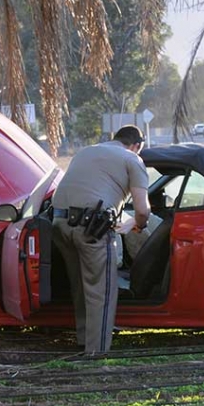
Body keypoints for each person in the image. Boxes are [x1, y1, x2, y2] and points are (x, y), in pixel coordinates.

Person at [50, 126, 151, 355]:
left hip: (59, 224)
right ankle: (97, 352)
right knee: (101, 291)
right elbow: (142, 211)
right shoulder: (132, 160)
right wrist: (138, 226)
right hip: (92, 228)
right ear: (136, 146)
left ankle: (84, 339)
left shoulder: (86, 151)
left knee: (80, 285)